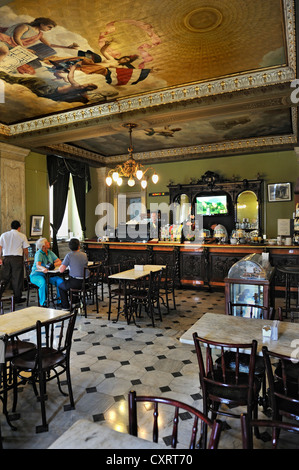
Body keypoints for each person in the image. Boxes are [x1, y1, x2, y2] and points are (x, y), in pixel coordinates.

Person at [0, 220, 30, 303]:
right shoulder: (22, 235)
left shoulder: (4, 235)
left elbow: (0, 247)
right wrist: (27, 258)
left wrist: (0, 258)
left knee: (3, 278)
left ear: (11, 227)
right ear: (19, 227)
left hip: (6, 258)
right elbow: (25, 249)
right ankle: (17, 298)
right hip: (17, 259)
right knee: (17, 278)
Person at [30, 237, 63, 307]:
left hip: (49, 275)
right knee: (43, 283)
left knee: (60, 281)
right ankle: (43, 303)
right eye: (47, 242)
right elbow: (38, 265)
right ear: (43, 246)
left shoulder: (49, 252)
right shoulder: (39, 254)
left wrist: (52, 265)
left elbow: (59, 261)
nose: (49, 243)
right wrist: (43, 268)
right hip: (37, 275)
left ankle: (59, 300)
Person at [59, 238, 89, 310]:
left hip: (76, 283)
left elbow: (61, 270)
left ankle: (65, 306)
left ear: (69, 247)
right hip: (87, 282)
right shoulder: (84, 255)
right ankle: (75, 302)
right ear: (79, 246)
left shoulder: (69, 256)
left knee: (61, 286)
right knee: (71, 281)